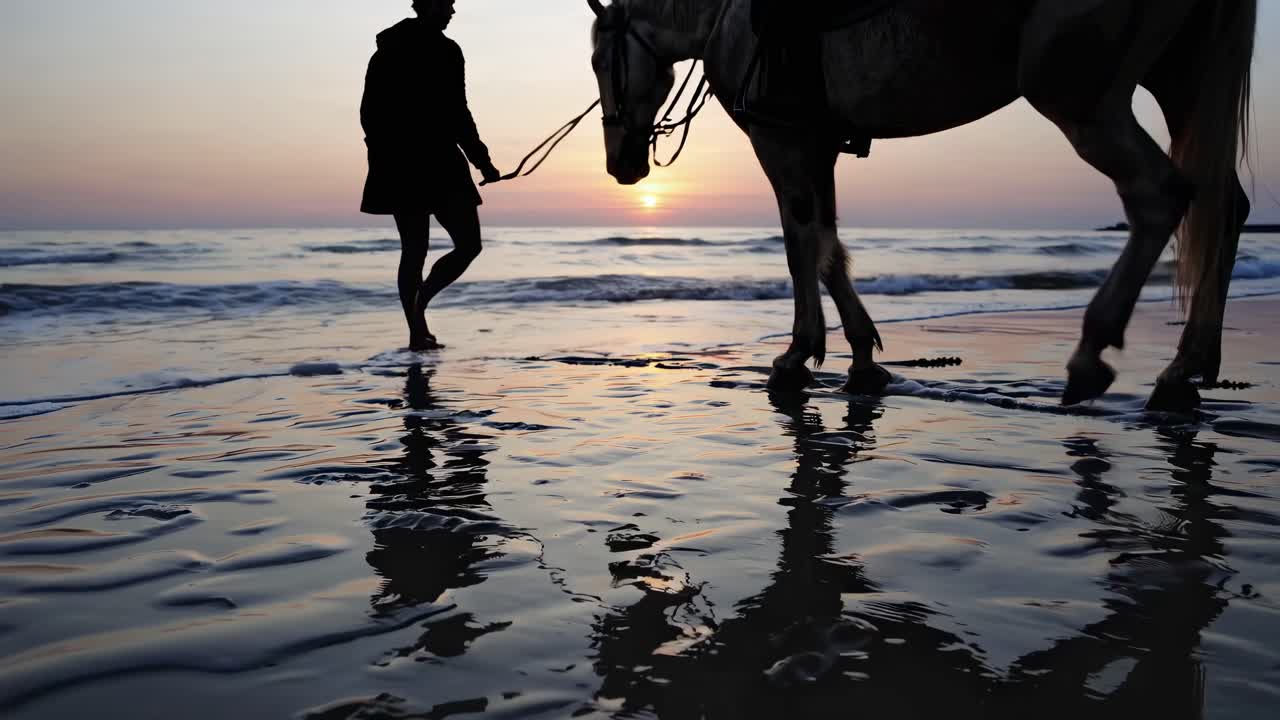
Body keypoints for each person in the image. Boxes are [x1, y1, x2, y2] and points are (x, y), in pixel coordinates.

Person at [360, 0, 501, 351]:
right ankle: (417, 324)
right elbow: (456, 112)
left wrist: (480, 159)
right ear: (427, 5)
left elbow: (369, 115)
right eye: (447, 5)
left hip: (413, 163)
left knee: (447, 248)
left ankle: (417, 315)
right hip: (419, 163)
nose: (452, 12)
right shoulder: (425, 51)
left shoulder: (433, 50)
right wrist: (481, 161)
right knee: (432, 249)